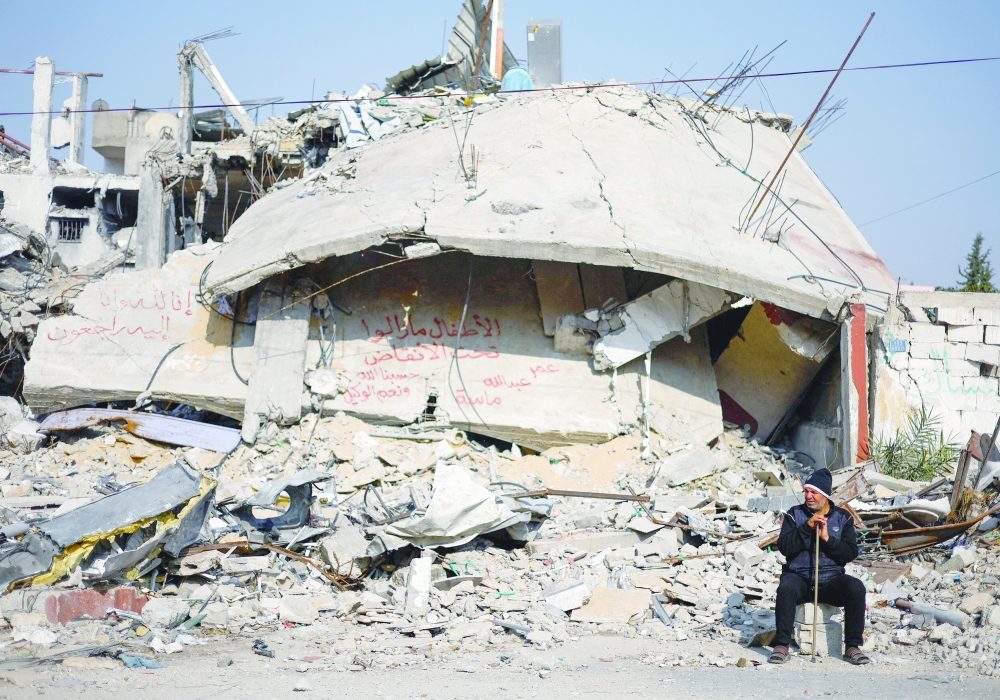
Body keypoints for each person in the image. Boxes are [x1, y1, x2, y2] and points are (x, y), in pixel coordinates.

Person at [768, 467, 870, 665]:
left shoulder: (843, 517)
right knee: (786, 587)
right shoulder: (794, 515)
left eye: (813, 492)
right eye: (806, 491)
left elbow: (850, 553)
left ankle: (852, 647)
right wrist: (806, 528)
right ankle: (782, 645)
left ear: (824, 495)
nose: (808, 496)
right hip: (800, 578)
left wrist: (827, 539)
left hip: (831, 580)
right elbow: (784, 548)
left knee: (856, 588)